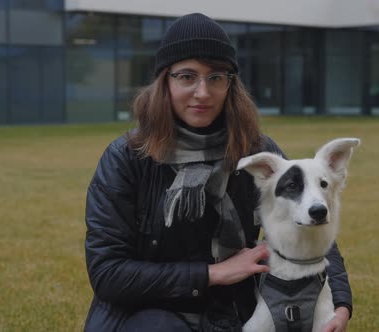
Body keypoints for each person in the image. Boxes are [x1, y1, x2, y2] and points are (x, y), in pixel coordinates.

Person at [84, 13, 352, 332]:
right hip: (149, 311)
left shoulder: (255, 152)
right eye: (187, 76)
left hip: (235, 309)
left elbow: (311, 222)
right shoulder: (126, 159)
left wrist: (340, 304)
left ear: (230, 84)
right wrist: (214, 273)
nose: (203, 92)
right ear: (164, 82)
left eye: (216, 78)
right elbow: (108, 273)